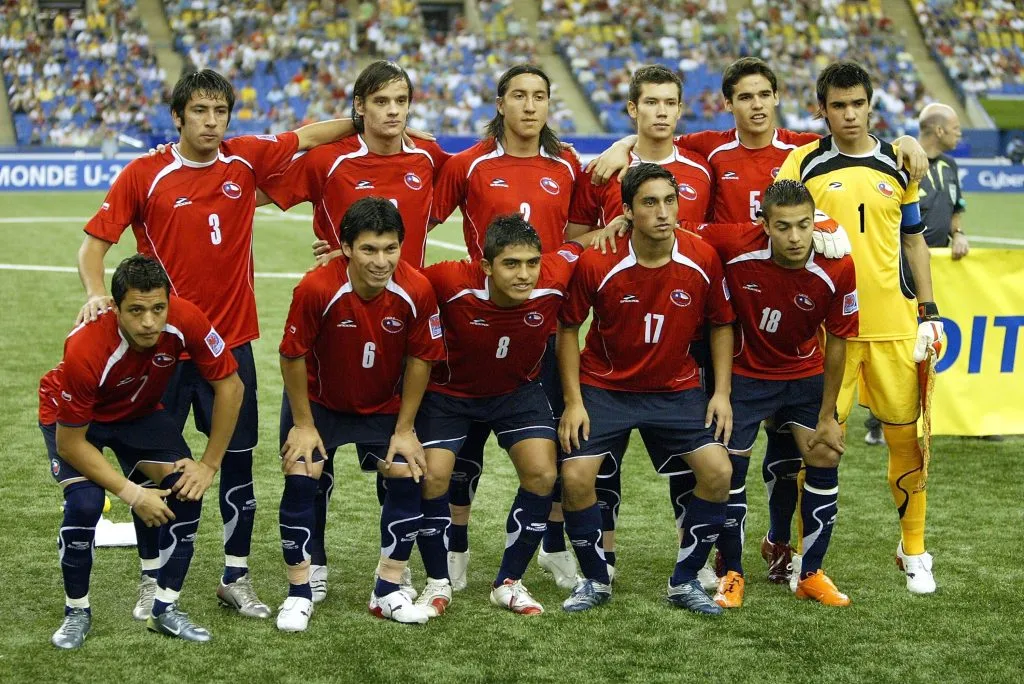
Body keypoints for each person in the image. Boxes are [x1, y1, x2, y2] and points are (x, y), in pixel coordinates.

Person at [588, 57, 926, 586]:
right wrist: (619, 149)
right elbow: (659, 146)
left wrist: (907, 139)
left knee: (792, 448)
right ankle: (714, 557)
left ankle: (779, 546)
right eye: (744, 96)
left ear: (777, 97)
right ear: (729, 104)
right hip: (721, 314)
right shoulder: (707, 151)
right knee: (718, 443)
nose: (757, 104)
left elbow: (850, 129)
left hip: (793, 317)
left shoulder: (799, 149)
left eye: (765, 94)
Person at [74, 69, 355, 620]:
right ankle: (152, 580)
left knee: (238, 466)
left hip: (231, 348)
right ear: (177, 116)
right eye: (198, 111)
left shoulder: (243, 160)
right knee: (155, 465)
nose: (210, 122)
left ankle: (236, 576)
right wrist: (93, 294)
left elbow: (313, 136)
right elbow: (94, 246)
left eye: (219, 112)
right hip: (162, 351)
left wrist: (369, 120)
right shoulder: (144, 174)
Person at [259, 60, 448, 604]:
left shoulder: (428, 157)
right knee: (309, 463)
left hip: (401, 326)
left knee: (404, 464)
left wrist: (620, 148)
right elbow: (258, 191)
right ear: (360, 105)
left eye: (401, 102)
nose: (392, 112)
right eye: (380, 101)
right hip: (334, 324)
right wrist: (336, 128)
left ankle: (395, 571)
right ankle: (311, 565)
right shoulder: (328, 160)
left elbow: (485, 174)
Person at [777, 61, 943, 594]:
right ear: (821, 110)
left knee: (906, 442)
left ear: (870, 105)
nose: (849, 115)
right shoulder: (801, 163)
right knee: (820, 445)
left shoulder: (900, 161)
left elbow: (914, 239)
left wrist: (931, 310)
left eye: (857, 104)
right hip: (830, 335)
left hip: (895, 326)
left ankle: (914, 549)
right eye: (838, 106)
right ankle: (807, 558)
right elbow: (775, 225)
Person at [430, 64, 587, 591]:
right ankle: (456, 549)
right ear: (500, 103)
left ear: (548, 105)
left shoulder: (566, 163)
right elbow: (420, 222)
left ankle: (554, 546)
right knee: (461, 457)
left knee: (556, 448)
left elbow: (583, 235)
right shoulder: (470, 163)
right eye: (518, 95)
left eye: (539, 96)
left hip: (540, 327)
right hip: (474, 328)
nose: (528, 105)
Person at [557, 163, 735, 615]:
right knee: (576, 477)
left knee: (718, 472)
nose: (663, 212)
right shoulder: (598, 259)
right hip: (605, 387)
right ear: (628, 211)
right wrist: (574, 402)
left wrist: (721, 394)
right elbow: (568, 329)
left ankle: (685, 579)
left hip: (675, 389)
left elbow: (721, 325)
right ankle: (595, 580)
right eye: (650, 203)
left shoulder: (702, 257)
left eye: (670, 201)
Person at [40, 255, 243, 648]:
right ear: (115, 308)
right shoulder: (86, 347)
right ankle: (76, 612)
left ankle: (164, 608)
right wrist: (132, 494)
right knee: (84, 502)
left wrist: (208, 465)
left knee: (187, 486)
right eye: (136, 310)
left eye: (158, 308)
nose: (149, 321)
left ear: (169, 301)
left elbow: (231, 387)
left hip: (137, 412)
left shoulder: (186, 319)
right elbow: (71, 443)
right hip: (73, 422)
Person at [414, 214, 604, 616]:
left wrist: (617, 222)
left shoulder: (552, 276)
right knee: (434, 477)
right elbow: (400, 281)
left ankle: (508, 582)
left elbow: (581, 244)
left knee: (543, 474)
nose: (525, 274)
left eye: (532, 262)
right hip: (449, 393)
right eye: (511, 264)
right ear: (486, 266)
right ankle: (436, 582)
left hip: (517, 391)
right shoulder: (449, 280)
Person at [686, 181, 858, 608]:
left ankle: (811, 572)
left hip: (803, 373)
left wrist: (828, 414)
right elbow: (677, 227)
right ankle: (732, 573)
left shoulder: (837, 263)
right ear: (764, 225)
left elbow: (839, 340)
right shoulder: (736, 243)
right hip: (746, 374)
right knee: (728, 471)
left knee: (825, 453)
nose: (795, 237)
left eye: (804, 225)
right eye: (783, 227)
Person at [275, 197, 444, 631]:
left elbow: (421, 359)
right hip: (320, 403)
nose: (381, 260)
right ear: (346, 247)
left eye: (390, 248)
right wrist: (303, 424)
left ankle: (387, 591)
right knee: (301, 473)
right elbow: (292, 355)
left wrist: (405, 429)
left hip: (384, 404)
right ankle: (298, 592)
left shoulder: (417, 289)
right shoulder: (317, 288)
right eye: (369, 249)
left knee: (407, 471)